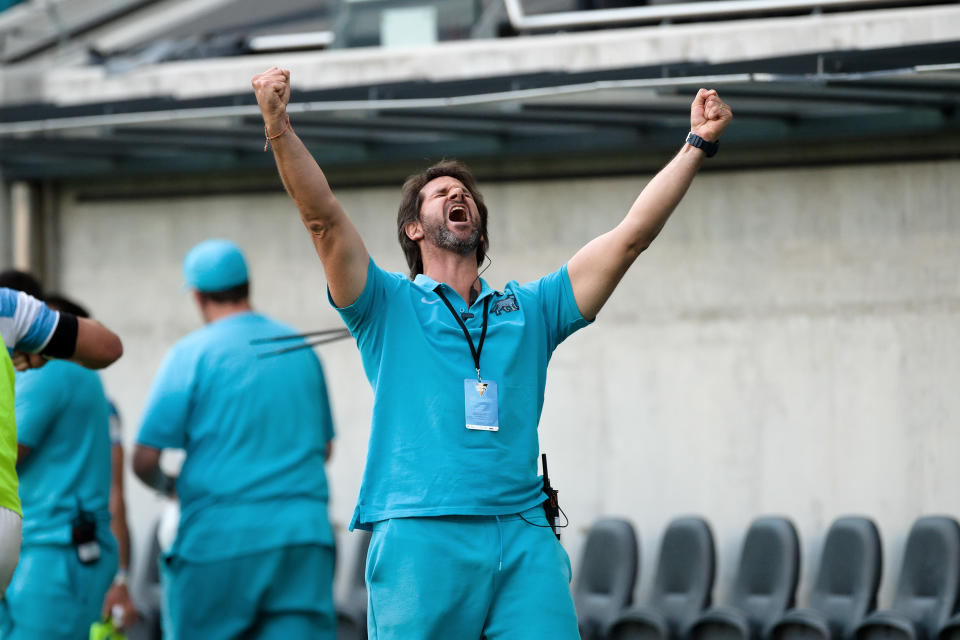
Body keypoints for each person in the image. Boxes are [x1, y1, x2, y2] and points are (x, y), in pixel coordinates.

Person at [251, 66, 732, 639]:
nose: (458, 194)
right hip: (421, 535)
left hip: (523, 532)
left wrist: (696, 144)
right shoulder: (384, 302)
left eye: (466, 193)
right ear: (413, 230)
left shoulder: (532, 307)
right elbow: (322, 219)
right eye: (440, 193)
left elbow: (630, 237)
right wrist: (278, 125)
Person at [133, 239, 337, 640]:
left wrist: (168, 485)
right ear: (247, 285)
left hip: (218, 542)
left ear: (197, 296)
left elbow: (143, 459)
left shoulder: (191, 353)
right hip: (302, 540)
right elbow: (325, 448)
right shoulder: (299, 348)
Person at [1, 294, 135, 639]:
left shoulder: (50, 373)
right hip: (55, 552)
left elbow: (11, 449)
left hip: (52, 554)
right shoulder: (71, 371)